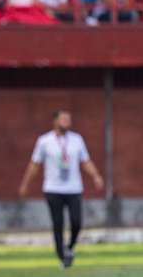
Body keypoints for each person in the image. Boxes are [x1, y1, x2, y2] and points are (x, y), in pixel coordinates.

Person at [18, 110, 104, 268]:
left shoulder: (77, 140)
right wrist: (25, 184)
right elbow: (34, 164)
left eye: (69, 119)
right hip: (53, 188)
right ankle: (61, 255)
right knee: (58, 223)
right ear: (55, 121)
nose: (67, 122)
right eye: (64, 119)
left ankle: (69, 248)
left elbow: (85, 161)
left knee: (76, 222)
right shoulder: (44, 141)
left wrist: (96, 176)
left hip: (73, 188)